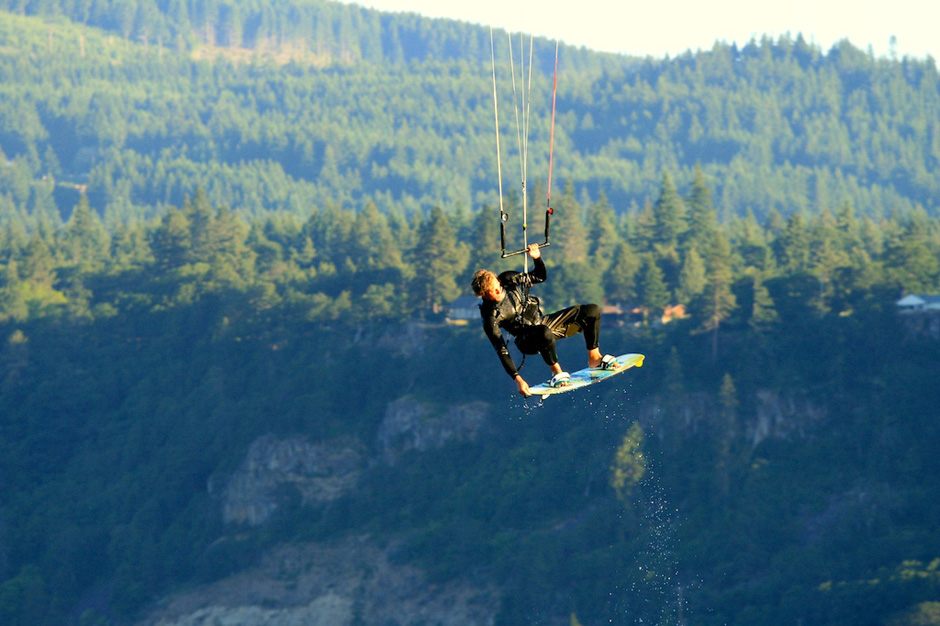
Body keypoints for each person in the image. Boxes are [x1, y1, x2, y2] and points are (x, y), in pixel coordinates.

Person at [471, 243, 619, 396]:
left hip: (543, 322)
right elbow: (502, 351)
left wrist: (537, 258)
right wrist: (518, 379)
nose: (498, 289)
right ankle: (556, 372)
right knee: (543, 331)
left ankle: (594, 358)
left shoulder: (507, 279)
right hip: (526, 341)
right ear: (483, 294)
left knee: (592, 310)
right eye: (493, 291)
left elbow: (540, 276)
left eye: (498, 285)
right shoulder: (490, 316)